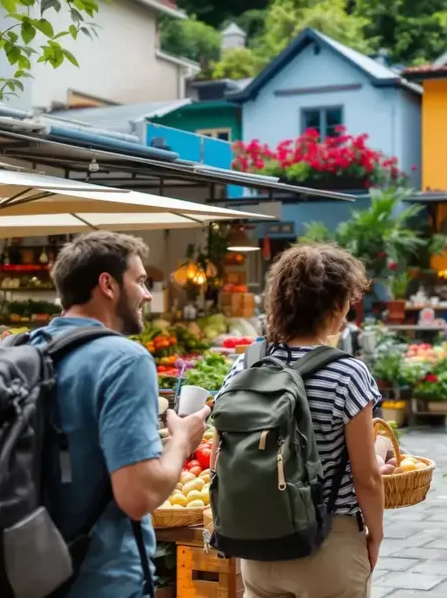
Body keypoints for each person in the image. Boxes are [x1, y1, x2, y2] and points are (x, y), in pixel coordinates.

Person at [33, 231, 210, 597]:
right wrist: (181, 442)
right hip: (101, 579)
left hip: (24, 571)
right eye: (141, 281)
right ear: (107, 285)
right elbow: (137, 495)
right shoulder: (123, 360)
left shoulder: (25, 350)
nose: (147, 295)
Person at [218, 243, 385, 598]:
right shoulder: (348, 373)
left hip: (260, 545)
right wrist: (375, 533)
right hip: (329, 543)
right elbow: (366, 476)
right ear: (334, 305)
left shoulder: (246, 365)